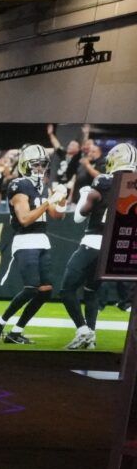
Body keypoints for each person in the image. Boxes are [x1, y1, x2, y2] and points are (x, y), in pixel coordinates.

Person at [59, 141, 135, 350]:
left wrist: (84, 193)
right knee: (91, 292)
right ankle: (90, 339)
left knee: (66, 290)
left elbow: (79, 216)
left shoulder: (103, 180)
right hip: (114, 249)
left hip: (92, 244)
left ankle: (83, 331)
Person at [0, 143, 63, 344]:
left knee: (46, 290)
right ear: (25, 165)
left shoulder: (43, 186)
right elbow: (25, 219)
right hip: (25, 239)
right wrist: (48, 202)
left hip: (42, 240)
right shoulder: (18, 185)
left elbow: (56, 216)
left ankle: (16, 332)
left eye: (42, 165)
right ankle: (0, 322)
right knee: (31, 288)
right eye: (35, 165)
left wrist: (61, 199)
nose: (40, 169)